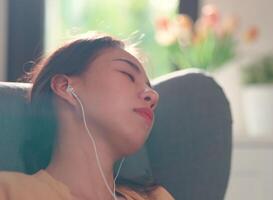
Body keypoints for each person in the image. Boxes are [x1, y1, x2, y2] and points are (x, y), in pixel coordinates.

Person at [0, 33, 175, 200]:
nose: (153, 96)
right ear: (65, 87)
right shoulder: (9, 190)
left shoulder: (157, 197)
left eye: (148, 86)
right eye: (128, 75)